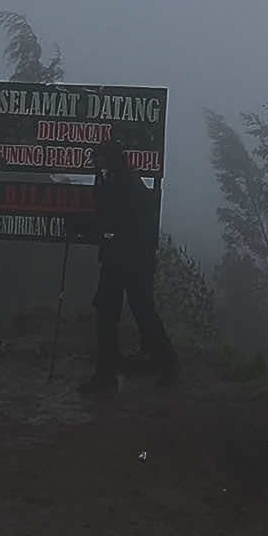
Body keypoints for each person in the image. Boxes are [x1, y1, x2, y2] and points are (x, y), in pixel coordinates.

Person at [79, 141, 177, 394]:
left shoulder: (125, 183)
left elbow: (127, 223)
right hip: (121, 257)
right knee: (113, 312)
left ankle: (165, 366)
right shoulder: (113, 180)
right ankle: (109, 374)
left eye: (99, 159)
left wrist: (102, 232)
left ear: (110, 160)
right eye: (95, 160)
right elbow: (106, 218)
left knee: (137, 311)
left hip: (132, 259)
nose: (96, 164)